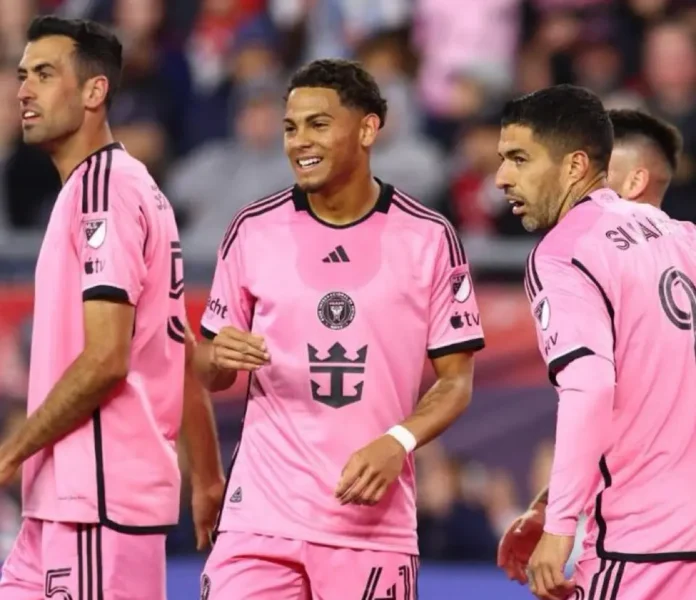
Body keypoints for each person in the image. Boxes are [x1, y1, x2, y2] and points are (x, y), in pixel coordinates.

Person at [194, 58, 485, 599]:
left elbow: (456, 381)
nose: (299, 141)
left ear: (368, 129)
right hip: (259, 516)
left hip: (369, 524)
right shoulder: (252, 230)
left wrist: (398, 441)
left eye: (318, 124)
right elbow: (205, 369)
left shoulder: (429, 237)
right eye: (290, 126)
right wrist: (216, 359)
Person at [0, 16, 224, 600]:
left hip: (96, 501)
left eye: (45, 75)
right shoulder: (122, 187)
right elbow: (179, 346)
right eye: (23, 75)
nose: (24, 90)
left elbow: (107, 360)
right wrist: (206, 476)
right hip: (60, 501)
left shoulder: (105, 192)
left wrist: (9, 453)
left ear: (95, 92)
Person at [495, 86, 696, 600]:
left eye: (519, 159)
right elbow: (651, 397)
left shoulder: (561, 255)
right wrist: (550, 500)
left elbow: (590, 389)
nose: (502, 178)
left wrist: (560, 526)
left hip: (640, 545)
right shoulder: (676, 234)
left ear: (574, 165)